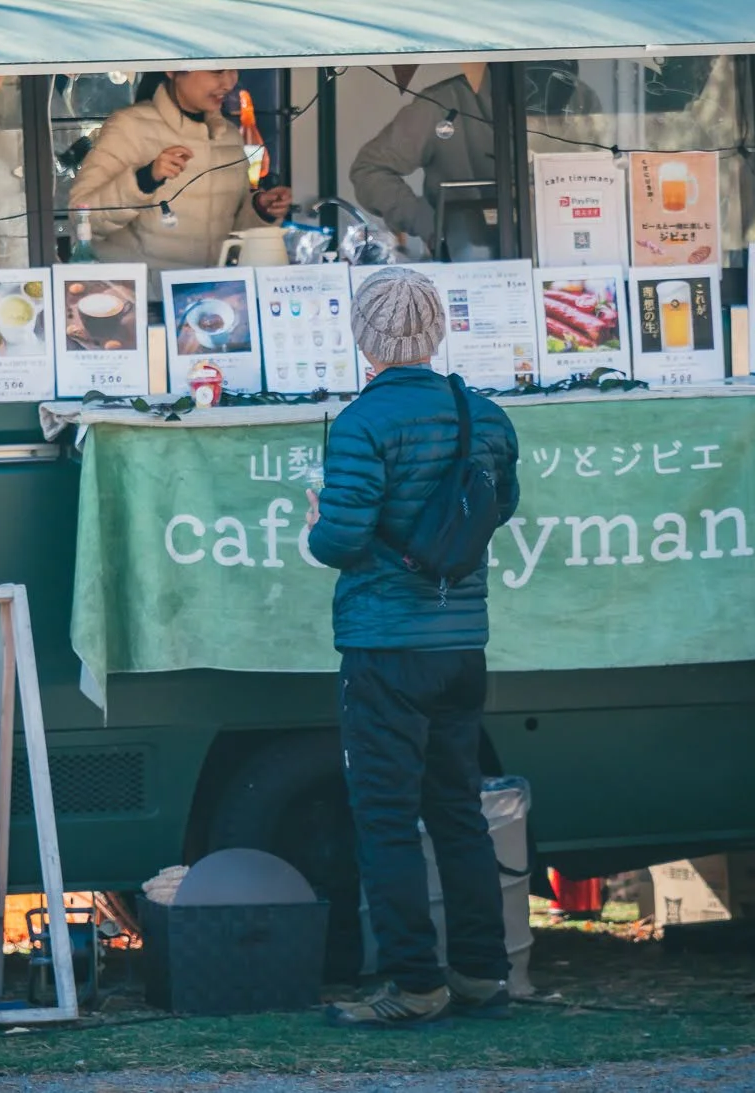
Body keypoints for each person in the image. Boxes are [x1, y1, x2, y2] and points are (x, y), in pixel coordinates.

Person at [305, 266, 521, 1026]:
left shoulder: (362, 424)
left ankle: (414, 981)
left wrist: (312, 521)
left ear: (363, 337)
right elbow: (502, 505)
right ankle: (481, 974)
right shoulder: (484, 415)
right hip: (463, 641)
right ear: (434, 332)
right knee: (458, 808)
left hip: (385, 644)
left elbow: (341, 539)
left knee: (387, 816)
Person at [68, 69, 292, 282]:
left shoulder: (230, 138)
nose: (229, 82)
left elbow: (235, 232)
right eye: (217, 71)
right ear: (173, 71)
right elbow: (84, 218)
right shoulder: (130, 126)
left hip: (207, 298)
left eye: (233, 69)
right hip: (138, 303)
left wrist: (261, 211)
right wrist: (145, 179)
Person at [346, 63, 495, 257]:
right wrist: (431, 225)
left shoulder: (545, 104)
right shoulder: (443, 103)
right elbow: (369, 170)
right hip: (466, 262)